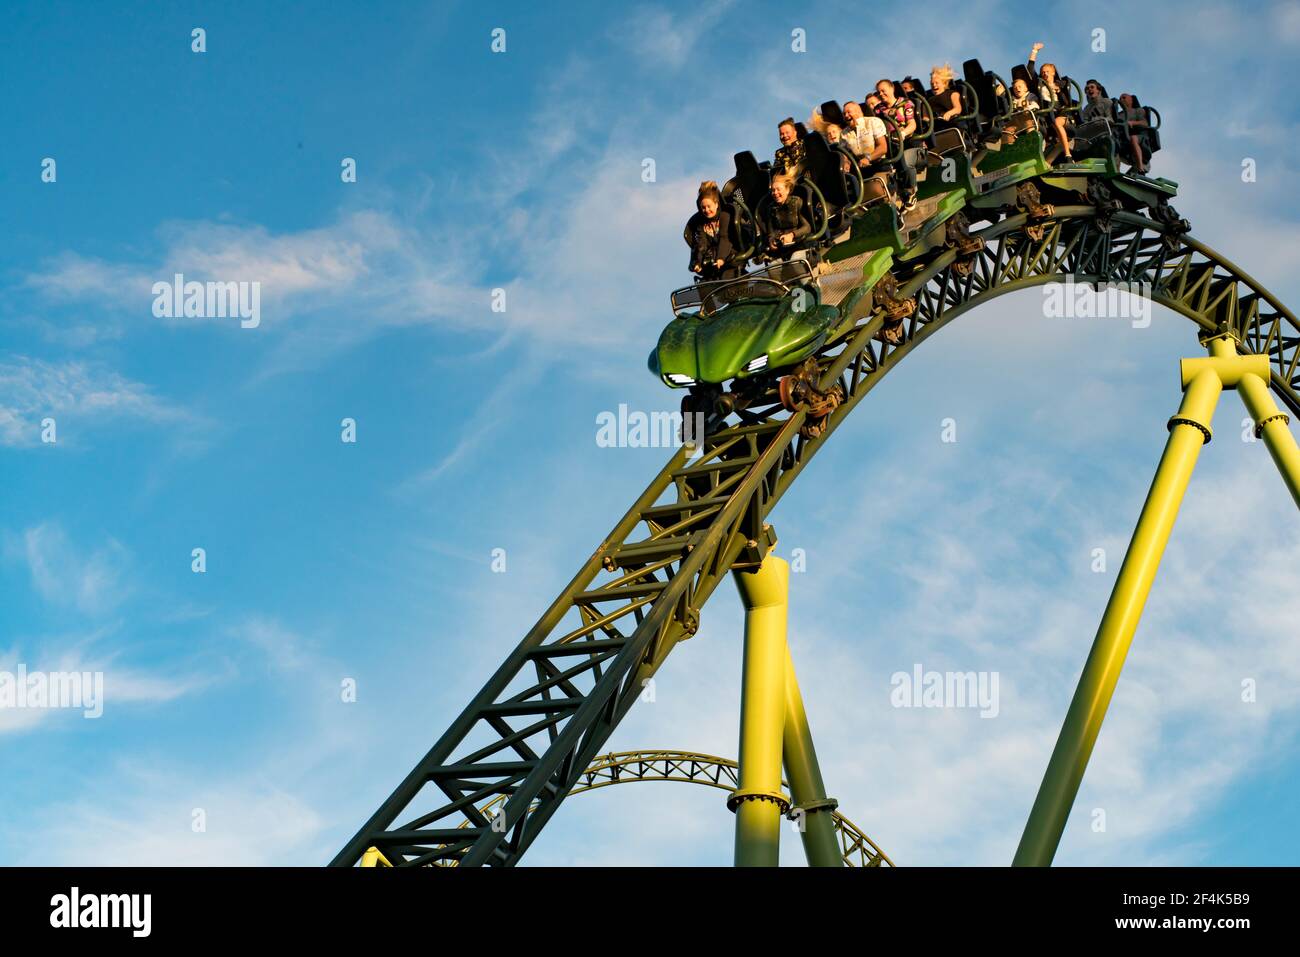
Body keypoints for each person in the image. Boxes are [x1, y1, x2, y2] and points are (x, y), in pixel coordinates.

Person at [873, 79, 919, 211]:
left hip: (904, 138)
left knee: (898, 151)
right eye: (878, 92)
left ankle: (909, 191)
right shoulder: (878, 110)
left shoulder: (905, 103)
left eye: (883, 90)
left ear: (892, 88)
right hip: (886, 141)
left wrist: (902, 134)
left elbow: (912, 124)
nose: (881, 94)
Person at [685, 181, 735, 280]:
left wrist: (721, 258)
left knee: (726, 276)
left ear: (716, 204)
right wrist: (698, 262)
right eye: (703, 208)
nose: (706, 210)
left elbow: (725, 238)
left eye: (709, 206)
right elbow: (701, 244)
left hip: (728, 253)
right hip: (713, 258)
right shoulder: (701, 223)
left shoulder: (724, 216)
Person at [762, 173, 811, 260]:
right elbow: (770, 232)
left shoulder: (796, 202)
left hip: (799, 241)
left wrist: (792, 235)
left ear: (787, 190)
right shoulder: (770, 208)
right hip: (781, 246)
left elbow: (807, 227)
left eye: (778, 189)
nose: (775, 193)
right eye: (773, 190)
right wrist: (771, 240)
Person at [927, 64, 963, 132]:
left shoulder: (953, 94)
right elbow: (925, 117)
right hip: (936, 126)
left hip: (951, 123)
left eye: (936, 83)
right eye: (932, 84)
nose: (934, 85)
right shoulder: (929, 100)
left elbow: (958, 108)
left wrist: (949, 113)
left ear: (944, 83)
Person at [1118, 93, 1149, 173]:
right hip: (1123, 138)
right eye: (1120, 99)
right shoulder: (1118, 115)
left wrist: (1132, 123)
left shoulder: (1138, 111)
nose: (1121, 100)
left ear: (1131, 99)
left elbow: (1145, 123)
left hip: (1139, 137)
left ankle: (1140, 167)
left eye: (1124, 98)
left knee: (1133, 138)